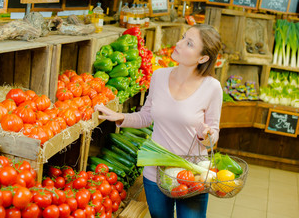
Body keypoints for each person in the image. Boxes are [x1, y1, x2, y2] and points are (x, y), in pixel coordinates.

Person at [95, 24, 223, 218]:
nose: (179, 44)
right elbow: (146, 116)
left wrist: (206, 135)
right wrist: (120, 117)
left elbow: (213, 135)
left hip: (192, 174)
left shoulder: (212, 88)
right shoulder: (159, 76)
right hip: (156, 173)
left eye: (189, 43)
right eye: (182, 38)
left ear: (202, 58)